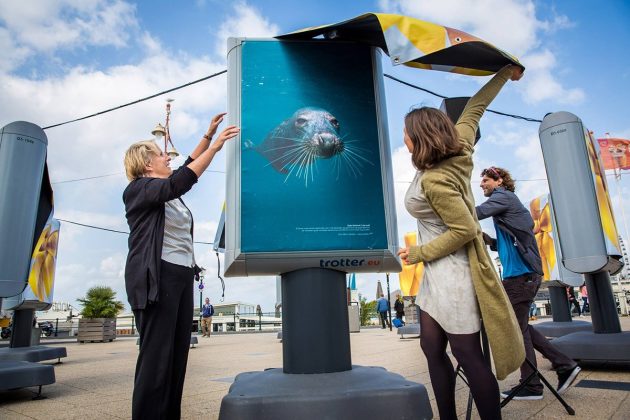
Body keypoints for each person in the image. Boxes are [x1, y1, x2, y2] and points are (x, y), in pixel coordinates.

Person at [397, 65, 524, 420]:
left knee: (467, 356)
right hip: (437, 276)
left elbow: (465, 229)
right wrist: (504, 73)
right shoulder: (462, 145)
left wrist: (417, 253)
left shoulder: (435, 181)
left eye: (406, 134)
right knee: (430, 346)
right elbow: (475, 108)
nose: (403, 139)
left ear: (420, 138)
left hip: (453, 274)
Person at [123, 113, 239, 419]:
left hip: (180, 274)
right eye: (161, 154)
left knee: (176, 355)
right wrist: (215, 148)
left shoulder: (165, 191)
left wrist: (207, 135)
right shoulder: (138, 189)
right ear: (147, 164)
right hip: (156, 277)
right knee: (156, 357)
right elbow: (184, 179)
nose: (167, 157)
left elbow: (185, 168)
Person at [476, 166, 581, 401]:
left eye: (485, 180)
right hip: (520, 275)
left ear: (499, 180)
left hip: (521, 276)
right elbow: (507, 241)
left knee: (515, 328)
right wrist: (488, 240)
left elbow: (475, 213)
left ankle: (538, 381)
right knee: (520, 325)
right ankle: (559, 367)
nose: (481, 184)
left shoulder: (502, 196)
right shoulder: (505, 203)